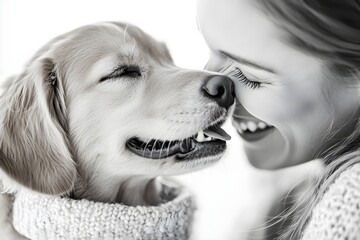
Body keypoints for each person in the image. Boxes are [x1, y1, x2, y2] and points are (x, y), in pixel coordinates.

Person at [197, 0, 360, 239]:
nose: (208, 87)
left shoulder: (350, 205)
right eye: (210, 51)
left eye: (249, 76)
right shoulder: (291, 189)